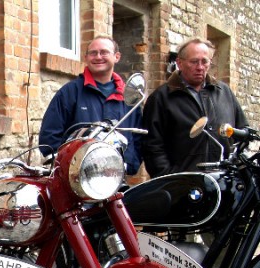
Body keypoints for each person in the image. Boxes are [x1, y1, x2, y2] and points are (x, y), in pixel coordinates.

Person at [142, 38, 248, 177]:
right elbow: (152, 147)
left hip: (225, 181)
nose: (200, 67)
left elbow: (242, 131)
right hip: (184, 186)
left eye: (204, 61)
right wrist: (170, 178)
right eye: (194, 62)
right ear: (179, 63)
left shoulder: (224, 92)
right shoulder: (161, 98)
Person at [39, 35, 142, 175]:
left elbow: (138, 137)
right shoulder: (69, 93)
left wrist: (128, 164)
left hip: (115, 178)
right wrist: (71, 164)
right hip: (77, 178)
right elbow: (49, 136)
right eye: (93, 53)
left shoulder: (128, 97)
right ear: (86, 58)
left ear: (116, 57)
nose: (98, 57)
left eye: (104, 52)